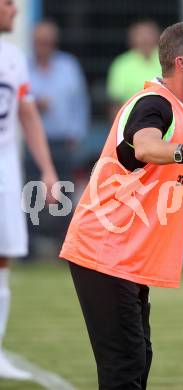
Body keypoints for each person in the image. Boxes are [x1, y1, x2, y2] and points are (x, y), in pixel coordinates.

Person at [60, 22, 183, 389]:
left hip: (123, 258)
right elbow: (146, 144)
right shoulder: (152, 104)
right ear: (182, 63)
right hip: (105, 254)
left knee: (137, 359)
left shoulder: (174, 109)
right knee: (125, 368)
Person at [0, 0, 58, 380]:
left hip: (5, 173)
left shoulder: (13, 56)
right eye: (7, 4)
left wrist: (48, 171)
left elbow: (27, 113)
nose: (15, 11)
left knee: (3, 260)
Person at [26, 20, 90, 255]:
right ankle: (29, 250)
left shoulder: (68, 66)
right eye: (40, 42)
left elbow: (80, 103)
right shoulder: (23, 66)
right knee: (31, 195)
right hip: (33, 144)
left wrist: (77, 133)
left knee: (64, 196)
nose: (44, 46)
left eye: (49, 42)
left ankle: (64, 249)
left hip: (63, 142)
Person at [106, 20, 161, 116]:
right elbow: (115, 103)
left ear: (158, 36)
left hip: (167, 122)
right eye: (140, 34)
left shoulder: (168, 59)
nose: (145, 38)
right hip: (132, 123)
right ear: (131, 38)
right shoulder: (121, 64)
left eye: (149, 33)